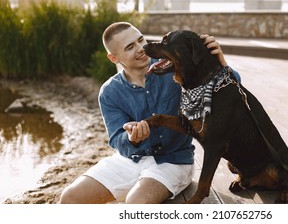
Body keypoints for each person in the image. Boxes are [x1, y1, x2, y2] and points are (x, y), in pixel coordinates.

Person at [59, 22, 235, 204]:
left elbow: (223, 92)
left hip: (174, 161)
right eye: (129, 47)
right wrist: (131, 139)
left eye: (140, 40)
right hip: (130, 160)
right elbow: (117, 139)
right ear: (113, 58)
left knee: (136, 203)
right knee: (69, 198)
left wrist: (221, 63)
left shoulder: (175, 68)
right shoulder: (109, 92)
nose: (141, 48)